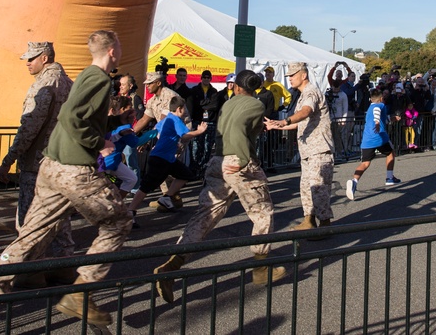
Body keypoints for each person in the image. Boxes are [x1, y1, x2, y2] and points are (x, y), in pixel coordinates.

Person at [0, 30, 134, 334]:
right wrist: (100, 142)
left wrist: (113, 124)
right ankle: (80, 293)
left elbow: (75, 115)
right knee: (119, 221)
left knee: (32, 234)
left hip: (49, 167)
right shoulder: (99, 79)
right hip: (74, 168)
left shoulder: (82, 76)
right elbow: (74, 119)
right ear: (113, 51)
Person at [153, 70, 285, 303]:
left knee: (205, 216)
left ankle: (171, 266)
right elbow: (241, 132)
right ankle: (262, 267)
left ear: (235, 87)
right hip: (239, 162)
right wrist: (244, 159)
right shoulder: (255, 105)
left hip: (218, 161)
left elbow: (232, 128)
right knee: (263, 213)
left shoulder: (228, 104)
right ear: (255, 88)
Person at [0, 41, 75, 262]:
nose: (27, 63)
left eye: (32, 58)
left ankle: (28, 265)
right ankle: (64, 262)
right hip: (61, 159)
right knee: (58, 215)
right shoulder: (68, 83)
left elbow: (31, 125)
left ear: (45, 58)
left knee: (28, 217)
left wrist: (9, 158)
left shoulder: (45, 84)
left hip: (37, 162)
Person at [266, 62, 334, 232]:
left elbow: (305, 112)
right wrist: (278, 126)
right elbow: (300, 122)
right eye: (288, 75)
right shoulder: (303, 94)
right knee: (306, 187)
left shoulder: (311, 92)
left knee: (319, 187)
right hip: (308, 150)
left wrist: (285, 120)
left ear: (303, 75)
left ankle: (325, 225)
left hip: (319, 149)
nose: (289, 78)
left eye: (292, 75)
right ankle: (309, 221)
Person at [128, 95, 207, 215]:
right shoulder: (175, 120)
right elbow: (184, 135)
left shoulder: (167, 119)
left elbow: (156, 131)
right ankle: (130, 211)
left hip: (168, 159)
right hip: (161, 159)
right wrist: (199, 131)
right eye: (184, 108)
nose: (185, 111)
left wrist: (146, 142)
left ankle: (167, 197)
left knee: (185, 174)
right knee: (146, 186)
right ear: (179, 109)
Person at [346, 88, 398, 200]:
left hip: (367, 140)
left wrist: (393, 119)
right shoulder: (380, 105)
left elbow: (385, 119)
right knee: (390, 153)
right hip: (379, 137)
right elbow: (377, 112)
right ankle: (389, 178)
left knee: (365, 163)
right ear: (381, 98)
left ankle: (354, 182)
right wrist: (377, 122)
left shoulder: (369, 108)